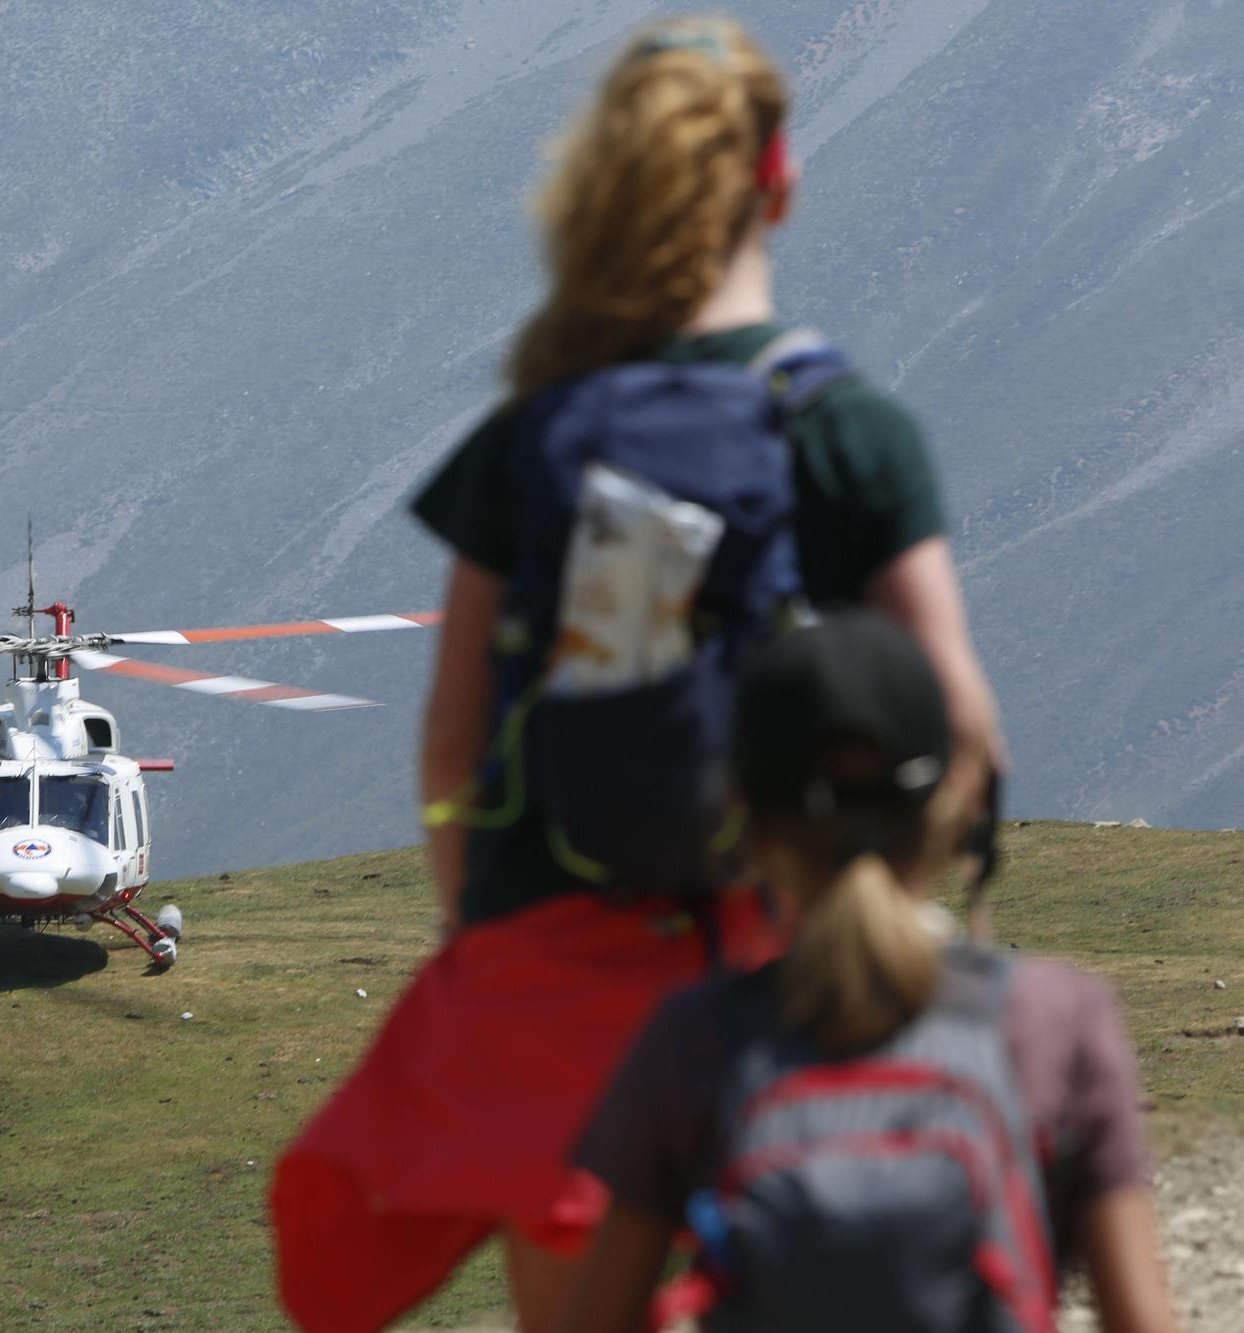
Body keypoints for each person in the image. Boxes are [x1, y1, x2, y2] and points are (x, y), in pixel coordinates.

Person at [272, 16, 1005, 1332]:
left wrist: (484, 931)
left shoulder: (536, 434)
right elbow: (957, 721)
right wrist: (896, 908)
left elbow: (452, 743)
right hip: (798, 971)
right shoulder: (851, 434)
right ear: (780, 179)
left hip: (558, 986)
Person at [558, 613, 1174, 1333]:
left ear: (745, 815)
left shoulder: (693, 1037)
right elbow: (1142, 1318)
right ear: (955, 803)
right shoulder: (1055, 1017)